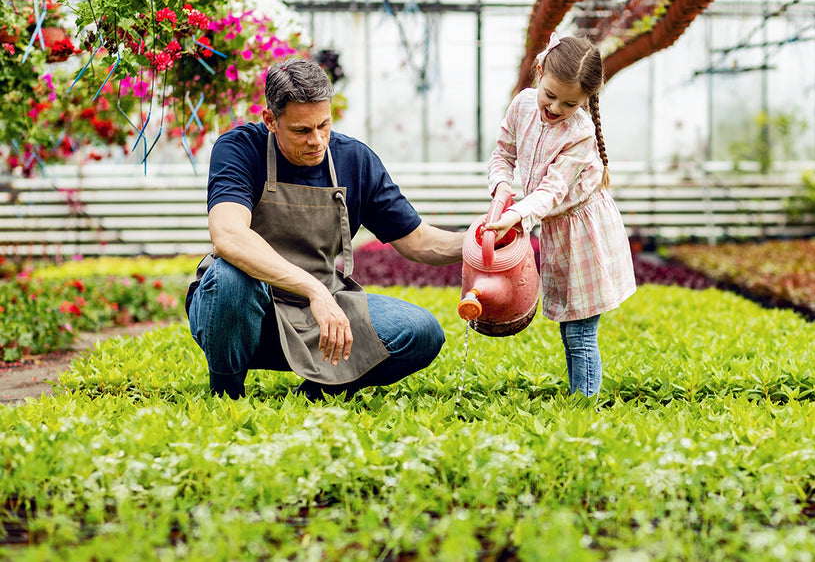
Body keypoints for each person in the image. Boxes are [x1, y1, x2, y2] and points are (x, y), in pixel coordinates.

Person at [186, 58, 464, 400]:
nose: (317, 140)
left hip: (319, 316)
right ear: (271, 120)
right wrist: (314, 291)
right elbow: (228, 236)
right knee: (230, 277)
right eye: (302, 130)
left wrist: (478, 242)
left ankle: (317, 391)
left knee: (421, 331)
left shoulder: (355, 160)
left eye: (324, 125)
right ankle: (226, 393)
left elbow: (418, 241)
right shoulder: (241, 149)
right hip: (250, 316)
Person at [482, 33, 636, 399]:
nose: (553, 108)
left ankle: (584, 408)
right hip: (556, 228)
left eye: (568, 104)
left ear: (585, 101)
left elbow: (552, 192)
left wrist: (517, 214)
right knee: (570, 327)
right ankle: (580, 397)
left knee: (580, 330)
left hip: (585, 233)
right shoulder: (521, 105)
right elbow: (503, 153)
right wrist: (503, 187)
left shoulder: (580, 132)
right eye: (549, 95)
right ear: (539, 72)